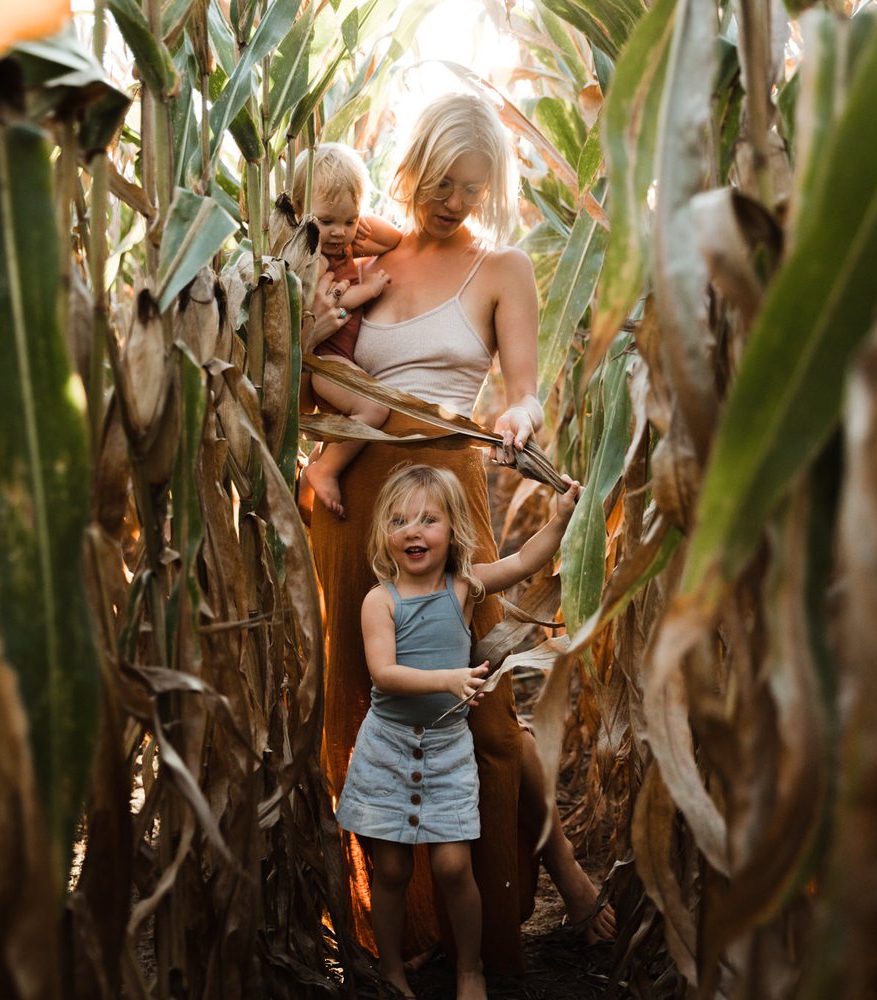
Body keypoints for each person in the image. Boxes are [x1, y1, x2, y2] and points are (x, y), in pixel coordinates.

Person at [309, 92, 616, 979]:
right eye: (441, 181)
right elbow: (303, 226)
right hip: (354, 505)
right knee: (361, 709)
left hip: (449, 497)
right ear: (414, 164)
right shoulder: (373, 252)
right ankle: (395, 936)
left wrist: (520, 418)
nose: (452, 200)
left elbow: (522, 388)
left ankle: (552, 868)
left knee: (482, 715)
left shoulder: (501, 266)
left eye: (471, 188)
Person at [339, 464, 582, 999]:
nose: (414, 530)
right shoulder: (380, 602)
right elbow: (384, 673)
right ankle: (392, 969)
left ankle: (469, 968)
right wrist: (449, 678)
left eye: (429, 519)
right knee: (393, 869)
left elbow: (522, 560)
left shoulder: (465, 585)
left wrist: (562, 519)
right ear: (385, 532)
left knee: (453, 864)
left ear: (452, 530)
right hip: (389, 749)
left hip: (447, 750)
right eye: (400, 520)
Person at [290, 142, 397, 518]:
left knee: (349, 420)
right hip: (324, 361)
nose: (339, 232)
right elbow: (333, 303)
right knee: (374, 408)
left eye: (349, 221)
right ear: (299, 211)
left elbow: (393, 238)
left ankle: (320, 468)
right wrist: (367, 289)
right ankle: (323, 468)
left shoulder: (340, 247)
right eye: (327, 221)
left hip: (336, 360)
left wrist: (354, 224)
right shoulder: (311, 259)